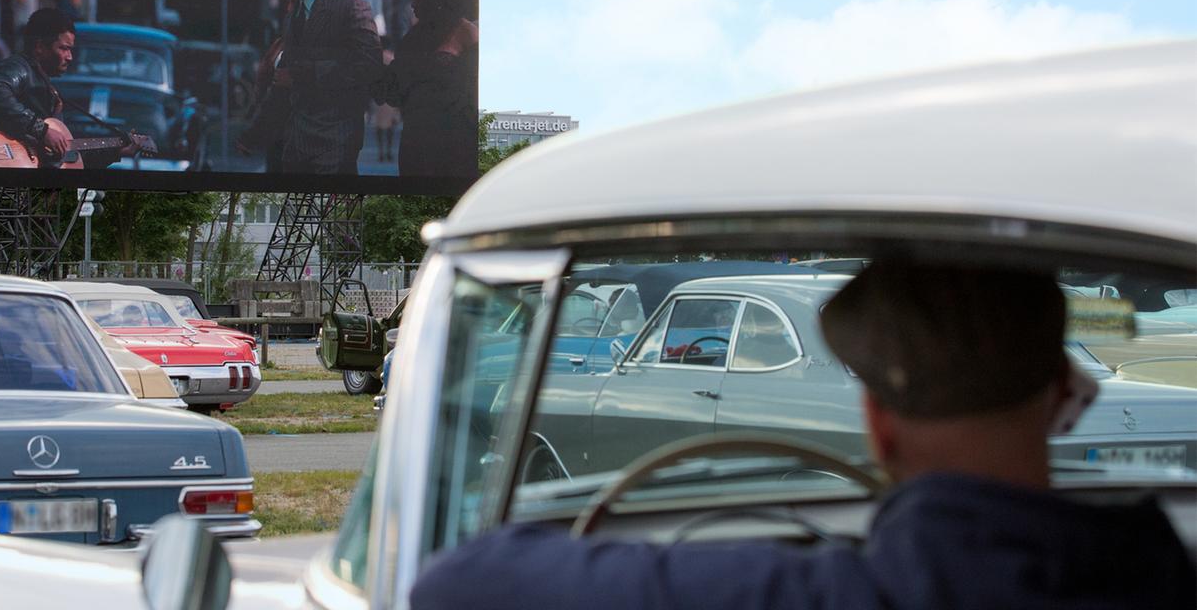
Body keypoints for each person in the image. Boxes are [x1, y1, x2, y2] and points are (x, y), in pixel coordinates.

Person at [411, 261, 1196, 610]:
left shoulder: (832, 593)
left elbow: (457, 582)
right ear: (1067, 396)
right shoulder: (1164, 574)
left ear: (878, 423)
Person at [237, 0, 381, 174]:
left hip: (335, 151)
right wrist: (253, 135)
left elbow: (369, 67)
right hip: (295, 152)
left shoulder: (350, 7)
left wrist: (308, 74)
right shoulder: (294, 16)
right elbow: (282, 86)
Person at [382, 0, 478, 177]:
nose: (414, 5)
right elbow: (394, 92)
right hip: (415, 145)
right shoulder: (413, 38)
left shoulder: (468, 35)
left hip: (454, 148)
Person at [0, 7, 77, 165]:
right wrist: (41, 130)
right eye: (64, 48)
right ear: (40, 47)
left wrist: (113, 153)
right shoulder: (19, 68)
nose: (69, 57)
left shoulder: (43, 81)